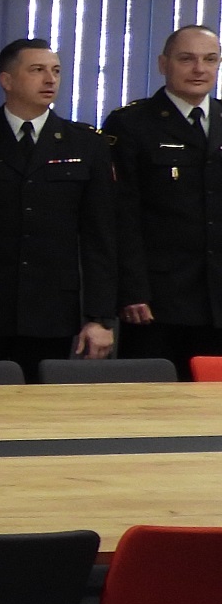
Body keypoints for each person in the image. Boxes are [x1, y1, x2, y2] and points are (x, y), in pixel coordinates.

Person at [0, 38, 116, 376]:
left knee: (41, 404)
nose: (50, 79)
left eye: (56, 71)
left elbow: (99, 237)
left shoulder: (86, 143)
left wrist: (99, 317)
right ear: (7, 80)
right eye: (37, 70)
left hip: (52, 310)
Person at [106, 24, 222, 378]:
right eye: (187, 59)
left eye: (210, 59)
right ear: (163, 64)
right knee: (152, 396)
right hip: (158, 298)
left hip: (217, 296)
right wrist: (131, 290)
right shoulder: (131, 124)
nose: (199, 69)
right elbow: (121, 215)